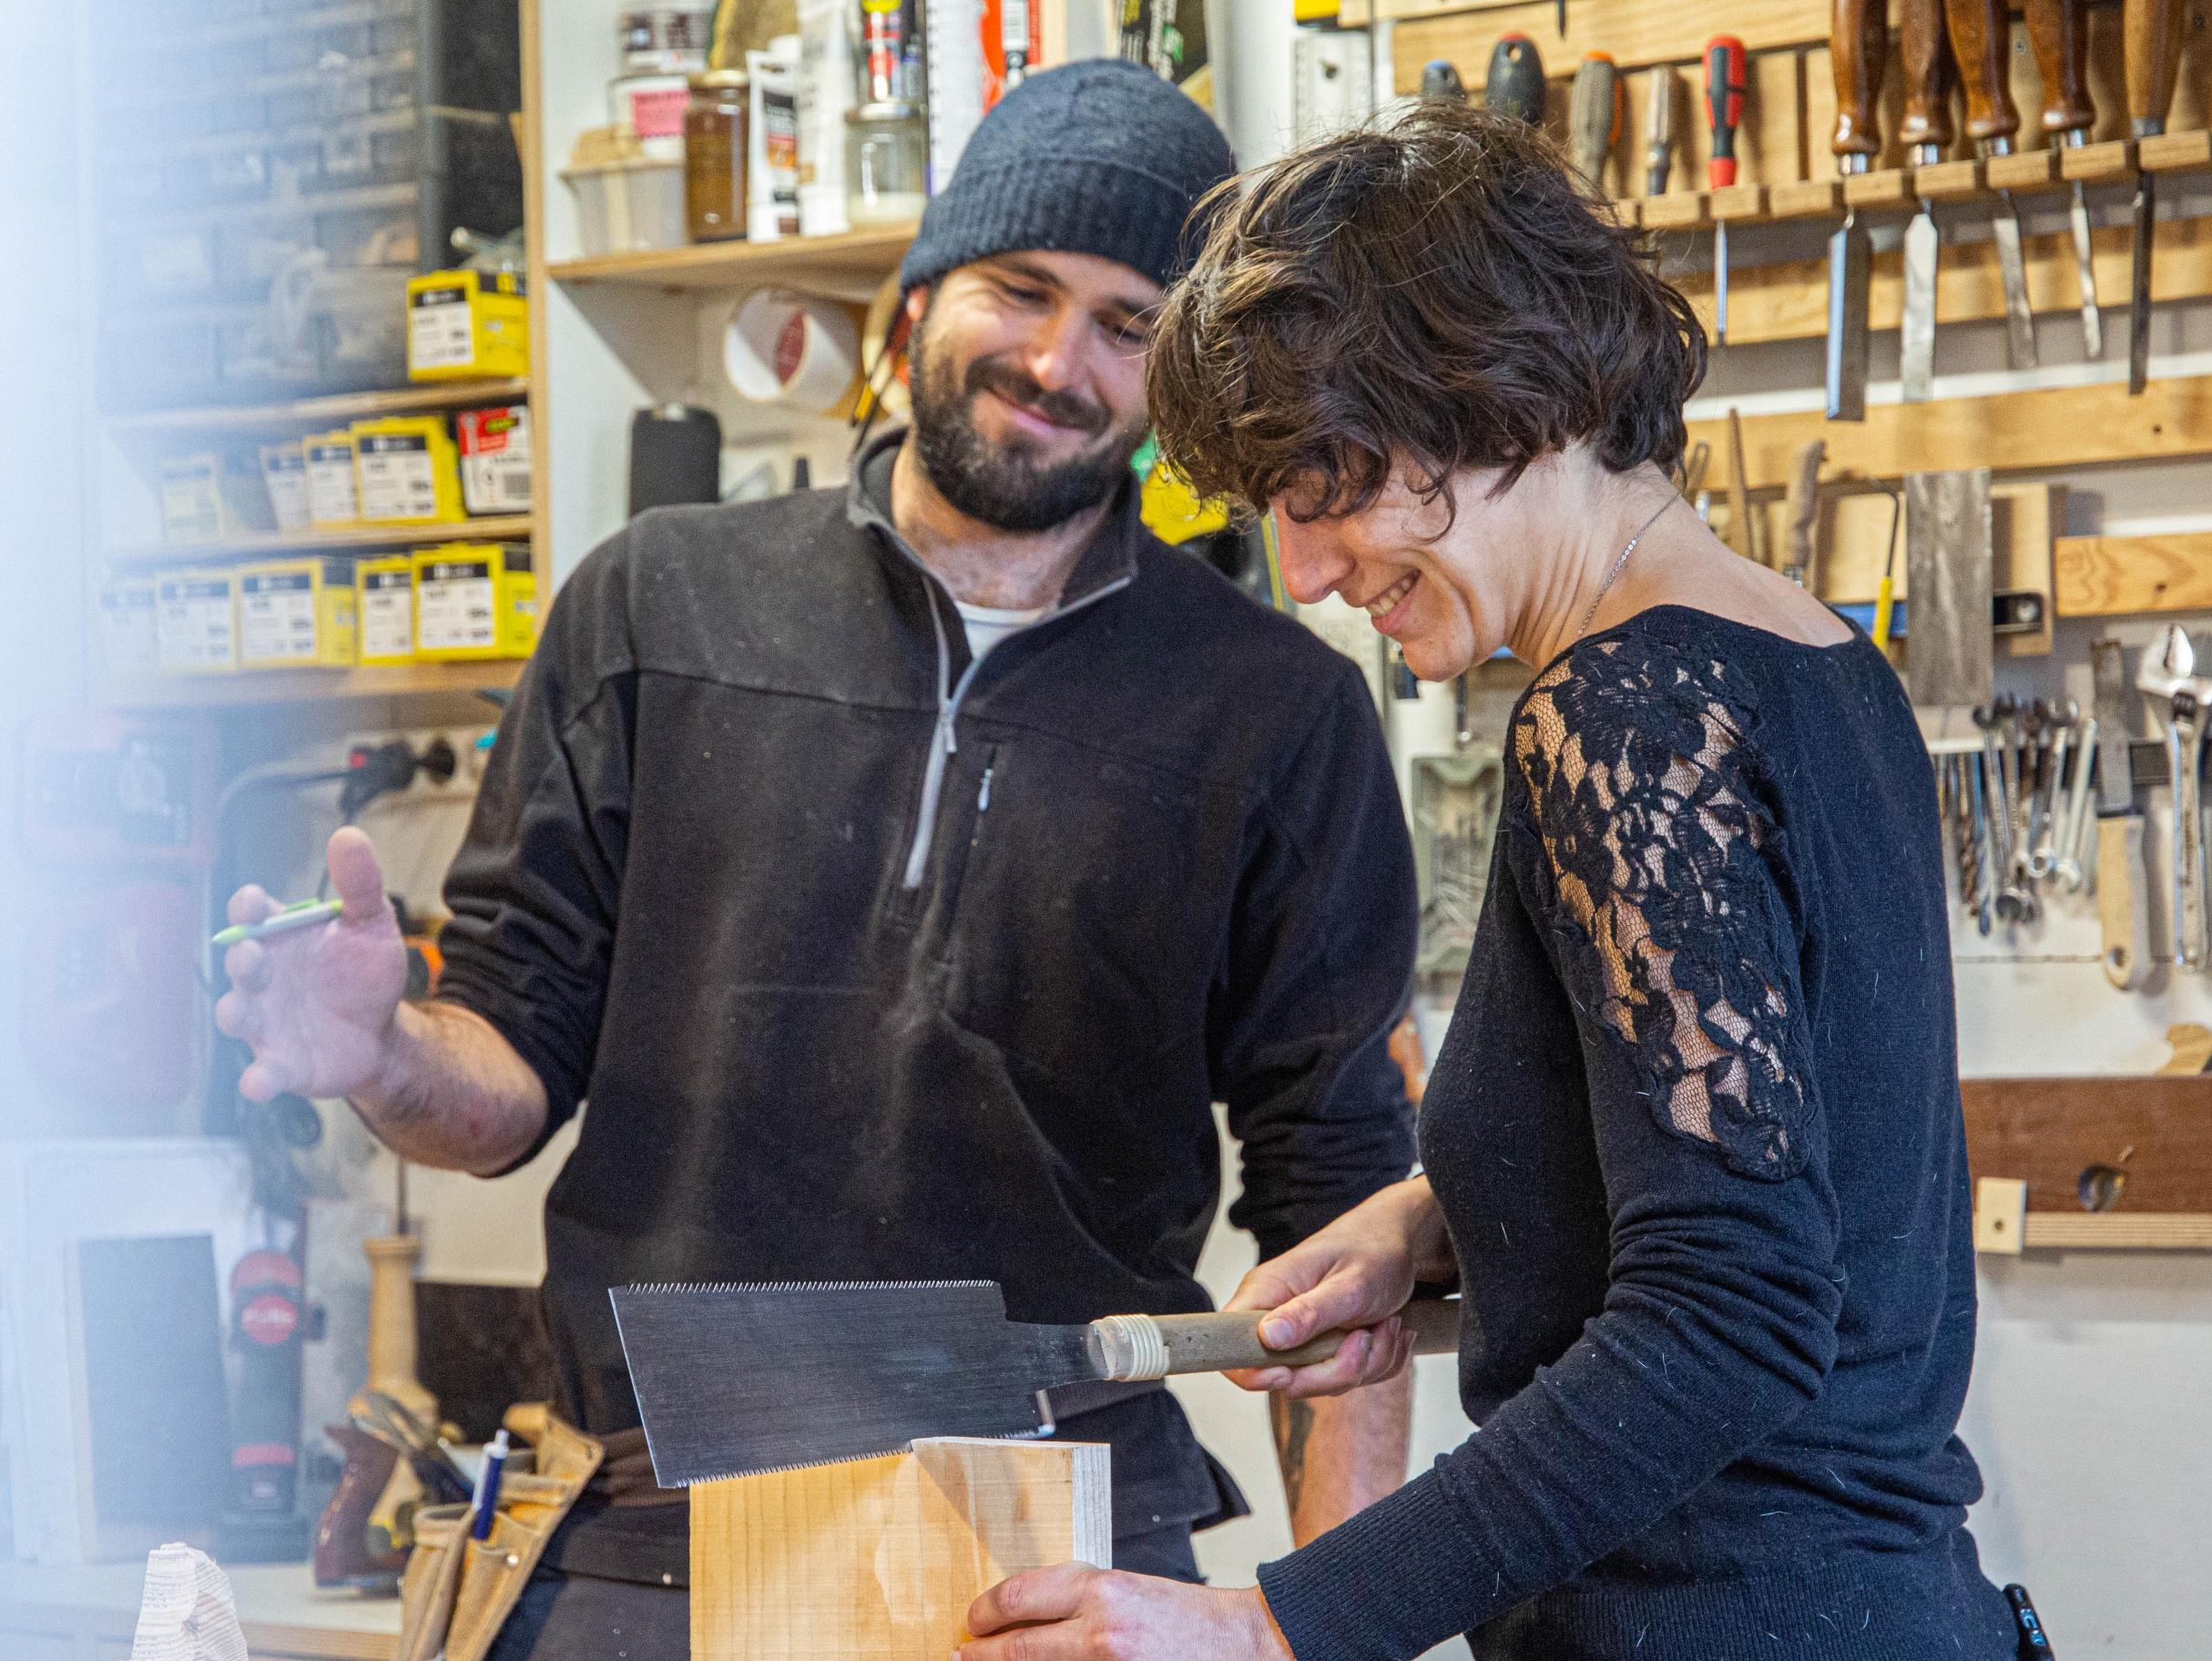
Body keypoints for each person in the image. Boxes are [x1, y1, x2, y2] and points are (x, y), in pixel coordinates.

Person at [214, 61, 1422, 1659]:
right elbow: (503, 1077)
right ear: (919, 292)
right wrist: (376, 1048)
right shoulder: (656, 604)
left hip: (1055, 1561)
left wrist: (1322, 1632)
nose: (1059, 362)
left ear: (1181, 382)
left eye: (1132, 326)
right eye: (1022, 287)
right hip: (643, 1539)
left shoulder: (1279, 711)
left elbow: (1333, 1236)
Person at [956, 99, 2015, 1661]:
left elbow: (1732, 1320)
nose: (1308, 574)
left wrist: (1274, 1627)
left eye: (1327, 491)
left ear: (1494, 398)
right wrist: (1438, 1220)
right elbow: (1773, 1162)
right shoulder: (1809, 662)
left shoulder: (1620, 719)